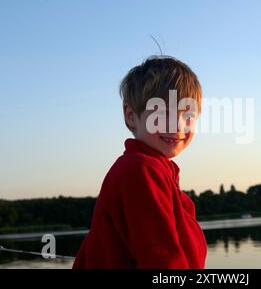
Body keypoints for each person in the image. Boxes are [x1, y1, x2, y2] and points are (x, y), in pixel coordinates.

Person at [73, 56, 207, 268]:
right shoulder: (139, 170)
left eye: (188, 115)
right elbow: (164, 262)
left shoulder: (159, 171)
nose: (178, 126)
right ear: (131, 116)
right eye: (163, 113)